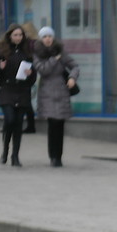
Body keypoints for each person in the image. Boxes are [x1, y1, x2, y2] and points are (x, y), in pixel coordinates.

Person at [0, 23, 36, 167]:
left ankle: (15, 156)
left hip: (22, 90)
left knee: (18, 124)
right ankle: (5, 150)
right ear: (10, 36)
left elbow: (33, 77)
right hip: (6, 89)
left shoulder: (27, 52)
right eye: (15, 35)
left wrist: (31, 73)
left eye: (20, 35)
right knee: (9, 119)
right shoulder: (2, 51)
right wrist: (0, 68)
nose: (18, 38)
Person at [32, 26, 79, 167]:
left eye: (50, 36)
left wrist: (72, 78)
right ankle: (53, 156)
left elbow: (75, 66)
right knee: (52, 125)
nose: (48, 39)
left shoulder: (61, 51)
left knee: (60, 125)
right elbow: (43, 70)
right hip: (46, 93)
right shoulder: (37, 53)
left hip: (62, 92)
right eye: (45, 36)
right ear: (41, 39)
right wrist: (54, 59)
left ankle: (59, 156)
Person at [21, 22, 39, 134]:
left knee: (27, 100)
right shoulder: (33, 43)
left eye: (25, 31)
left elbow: (32, 58)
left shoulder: (32, 44)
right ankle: (30, 125)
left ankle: (31, 126)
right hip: (29, 71)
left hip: (30, 72)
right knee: (26, 100)